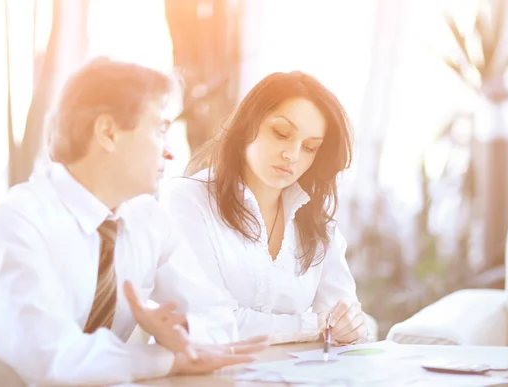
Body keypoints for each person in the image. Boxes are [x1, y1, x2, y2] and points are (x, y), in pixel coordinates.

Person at [0, 57, 266, 387]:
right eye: (159, 131)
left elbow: (220, 316)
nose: (169, 152)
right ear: (108, 132)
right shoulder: (16, 222)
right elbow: (51, 360)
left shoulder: (147, 218)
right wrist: (167, 358)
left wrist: (182, 331)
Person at [160, 71, 378, 345]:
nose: (293, 155)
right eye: (281, 133)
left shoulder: (318, 224)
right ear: (248, 125)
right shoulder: (189, 200)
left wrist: (351, 327)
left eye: (310, 147)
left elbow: (341, 317)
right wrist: (314, 325)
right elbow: (206, 324)